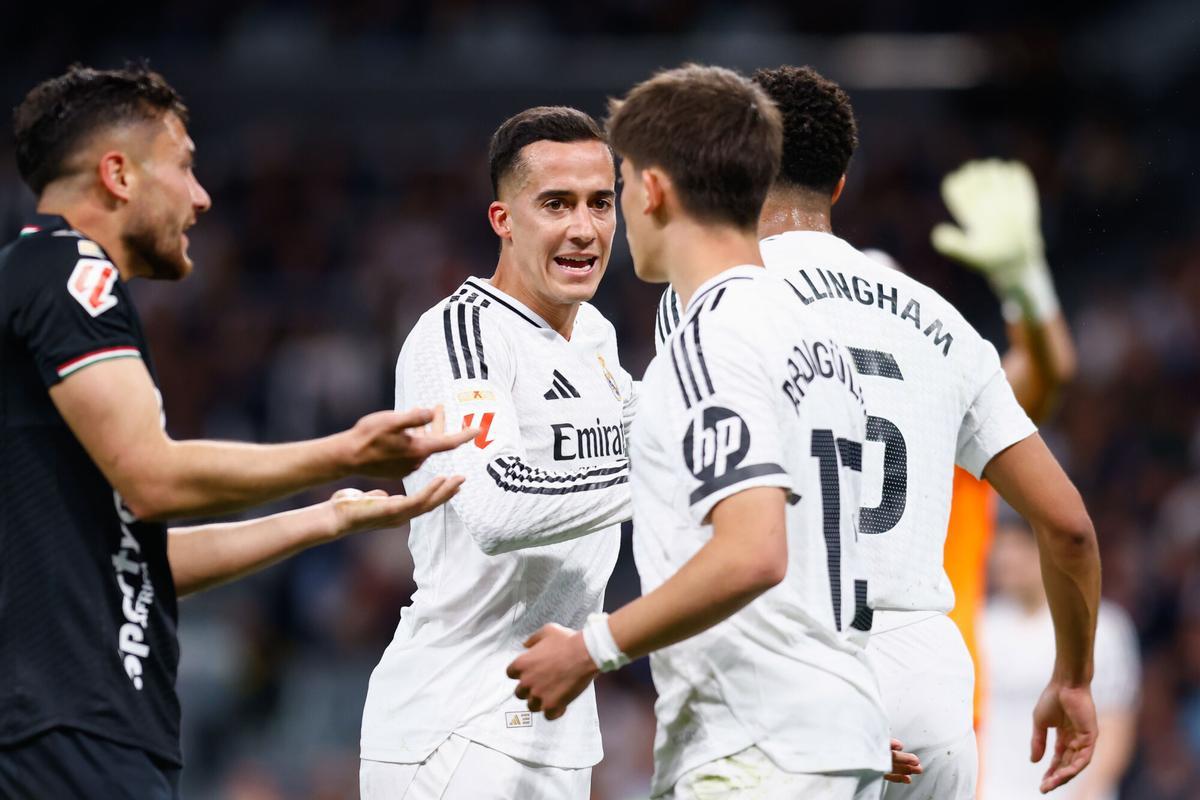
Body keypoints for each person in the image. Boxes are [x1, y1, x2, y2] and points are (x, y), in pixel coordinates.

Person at [0, 64, 474, 798]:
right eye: (185, 166)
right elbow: (153, 478)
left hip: (72, 732)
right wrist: (343, 450)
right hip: (69, 732)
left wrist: (328, 516)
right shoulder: (69, 271)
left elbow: (131, 562)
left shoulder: (35, 287)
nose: (202, 196)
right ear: (118, 174)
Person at [653, 65, 1101, 798]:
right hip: (931, 686)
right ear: (839, 185)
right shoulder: (944, 326)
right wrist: (1075, 680)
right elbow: (1071, 527)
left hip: (789, 670)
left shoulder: (711, 297)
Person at [509, 64, 892, 799]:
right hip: (837, 731)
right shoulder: (813, 339)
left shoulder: (711, 337)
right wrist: (834, 722)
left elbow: (754, 552)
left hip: (753, 746)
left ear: (652, 189)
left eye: (619, 186)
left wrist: (590, 648)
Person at [358, 106, 636, 800]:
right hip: (456, 724)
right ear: (502, 220)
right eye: (555, 204)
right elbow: (497, 506)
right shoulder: (463, 334)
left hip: (554, 720)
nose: (584, 228)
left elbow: (668, 471)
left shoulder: (597, 339)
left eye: (600, 204)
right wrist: (659, 466)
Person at [982, 508, 1140, 800]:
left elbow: (1116, 722)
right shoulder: (982, 626)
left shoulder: (1103, 626)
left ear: (1047, 548)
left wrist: (1089, 791)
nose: (1004, 557)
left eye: (1018, 544)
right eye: (999, 544)